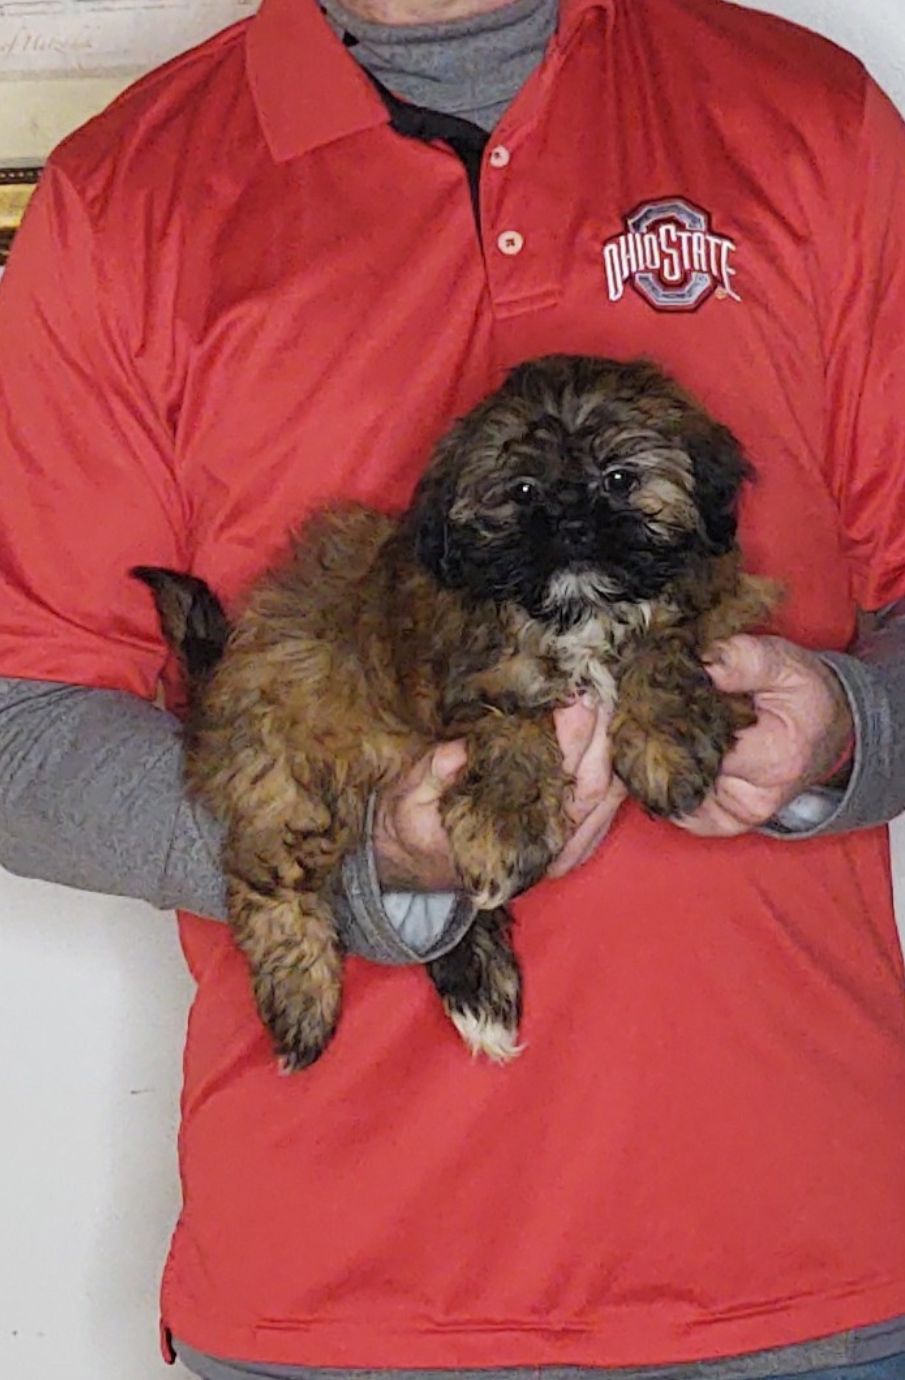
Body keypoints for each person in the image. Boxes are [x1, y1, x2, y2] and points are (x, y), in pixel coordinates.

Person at [1, 0, 905, 1377]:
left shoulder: (807, 115)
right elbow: (21, 727)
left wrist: (855, 727)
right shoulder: (126, 192)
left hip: (804, 1272)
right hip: (336, 1288)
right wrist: (341, 857)